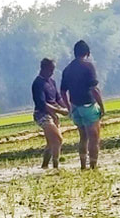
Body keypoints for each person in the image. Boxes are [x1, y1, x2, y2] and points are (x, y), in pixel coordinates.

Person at [60, 40, 105, 170]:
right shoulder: (88, 66)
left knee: (83, 137)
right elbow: (94, 89)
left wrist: (69, 107)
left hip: (75, 107)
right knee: (94, 138)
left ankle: (83, 166)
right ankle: (93, 166)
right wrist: (102, 106)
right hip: (88, 106)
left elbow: (63, 91)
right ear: (87, 53)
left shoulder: (67, 69)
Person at [31, 59, 69, 169]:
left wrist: (67, 107)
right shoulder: (38, 83)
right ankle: (56, 166)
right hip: (42, 115)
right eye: (51, 69)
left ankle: (44, 166)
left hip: (53, 114)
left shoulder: (52, 82)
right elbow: (43, 104)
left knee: (51, 143)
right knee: (58, 139)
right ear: (44, 68)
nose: (52, 72)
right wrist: (60, 111)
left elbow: (58, 99)